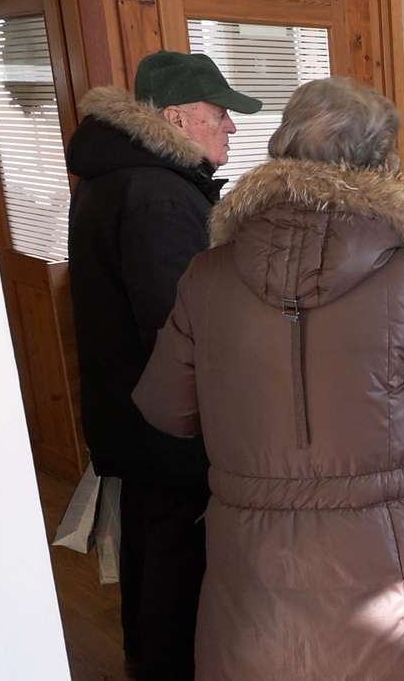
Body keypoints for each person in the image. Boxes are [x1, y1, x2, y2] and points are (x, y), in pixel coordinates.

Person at [132, 77, 404, 680]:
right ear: (380, 164)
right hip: (386, 564)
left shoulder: (206, 273)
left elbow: (166, 407)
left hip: (252, 567)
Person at [66, 50, 262, 680]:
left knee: (151, 545)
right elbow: (180, 323)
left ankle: (144, 658)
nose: (230, 125)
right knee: (177, 558)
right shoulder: (158, 196)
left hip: (131, 410)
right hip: (166, 419)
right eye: (219, 113)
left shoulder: (118, 177)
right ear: (176, 118)